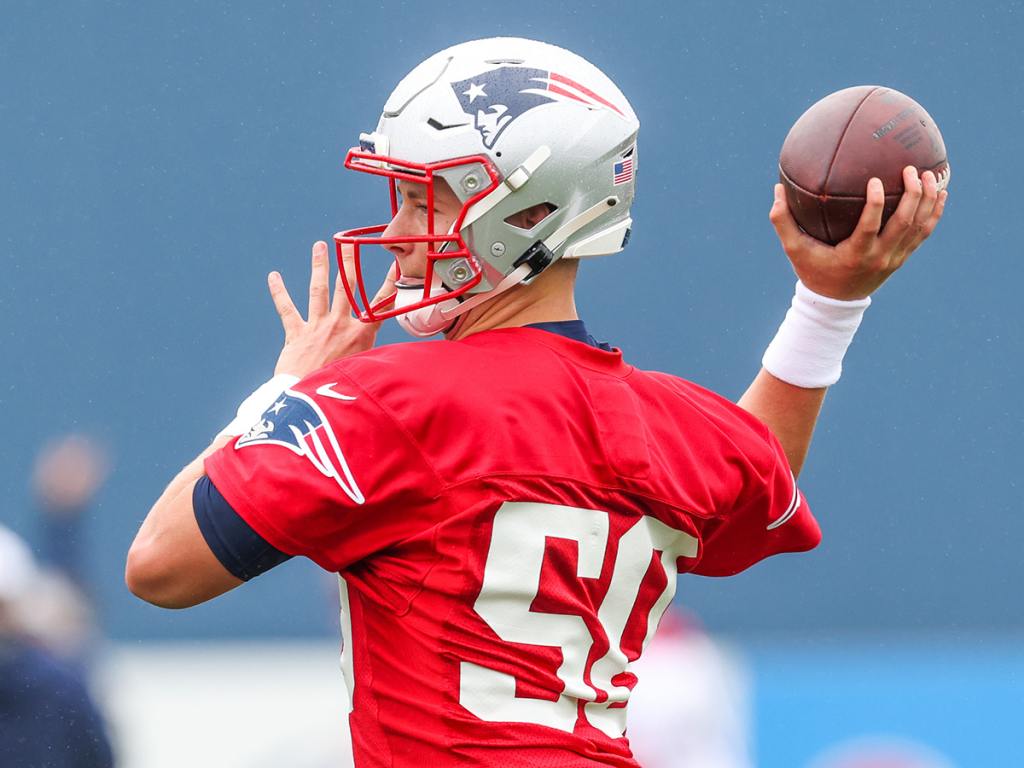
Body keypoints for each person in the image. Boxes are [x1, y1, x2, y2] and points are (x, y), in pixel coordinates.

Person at [125, 37, 946, 767]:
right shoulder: (678, 426)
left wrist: (282, 393)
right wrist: (829, 305)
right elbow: (752, 467)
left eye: (425, 198)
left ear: (528, 212)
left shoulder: (381, 404)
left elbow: (161, 568)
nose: (402, 230)